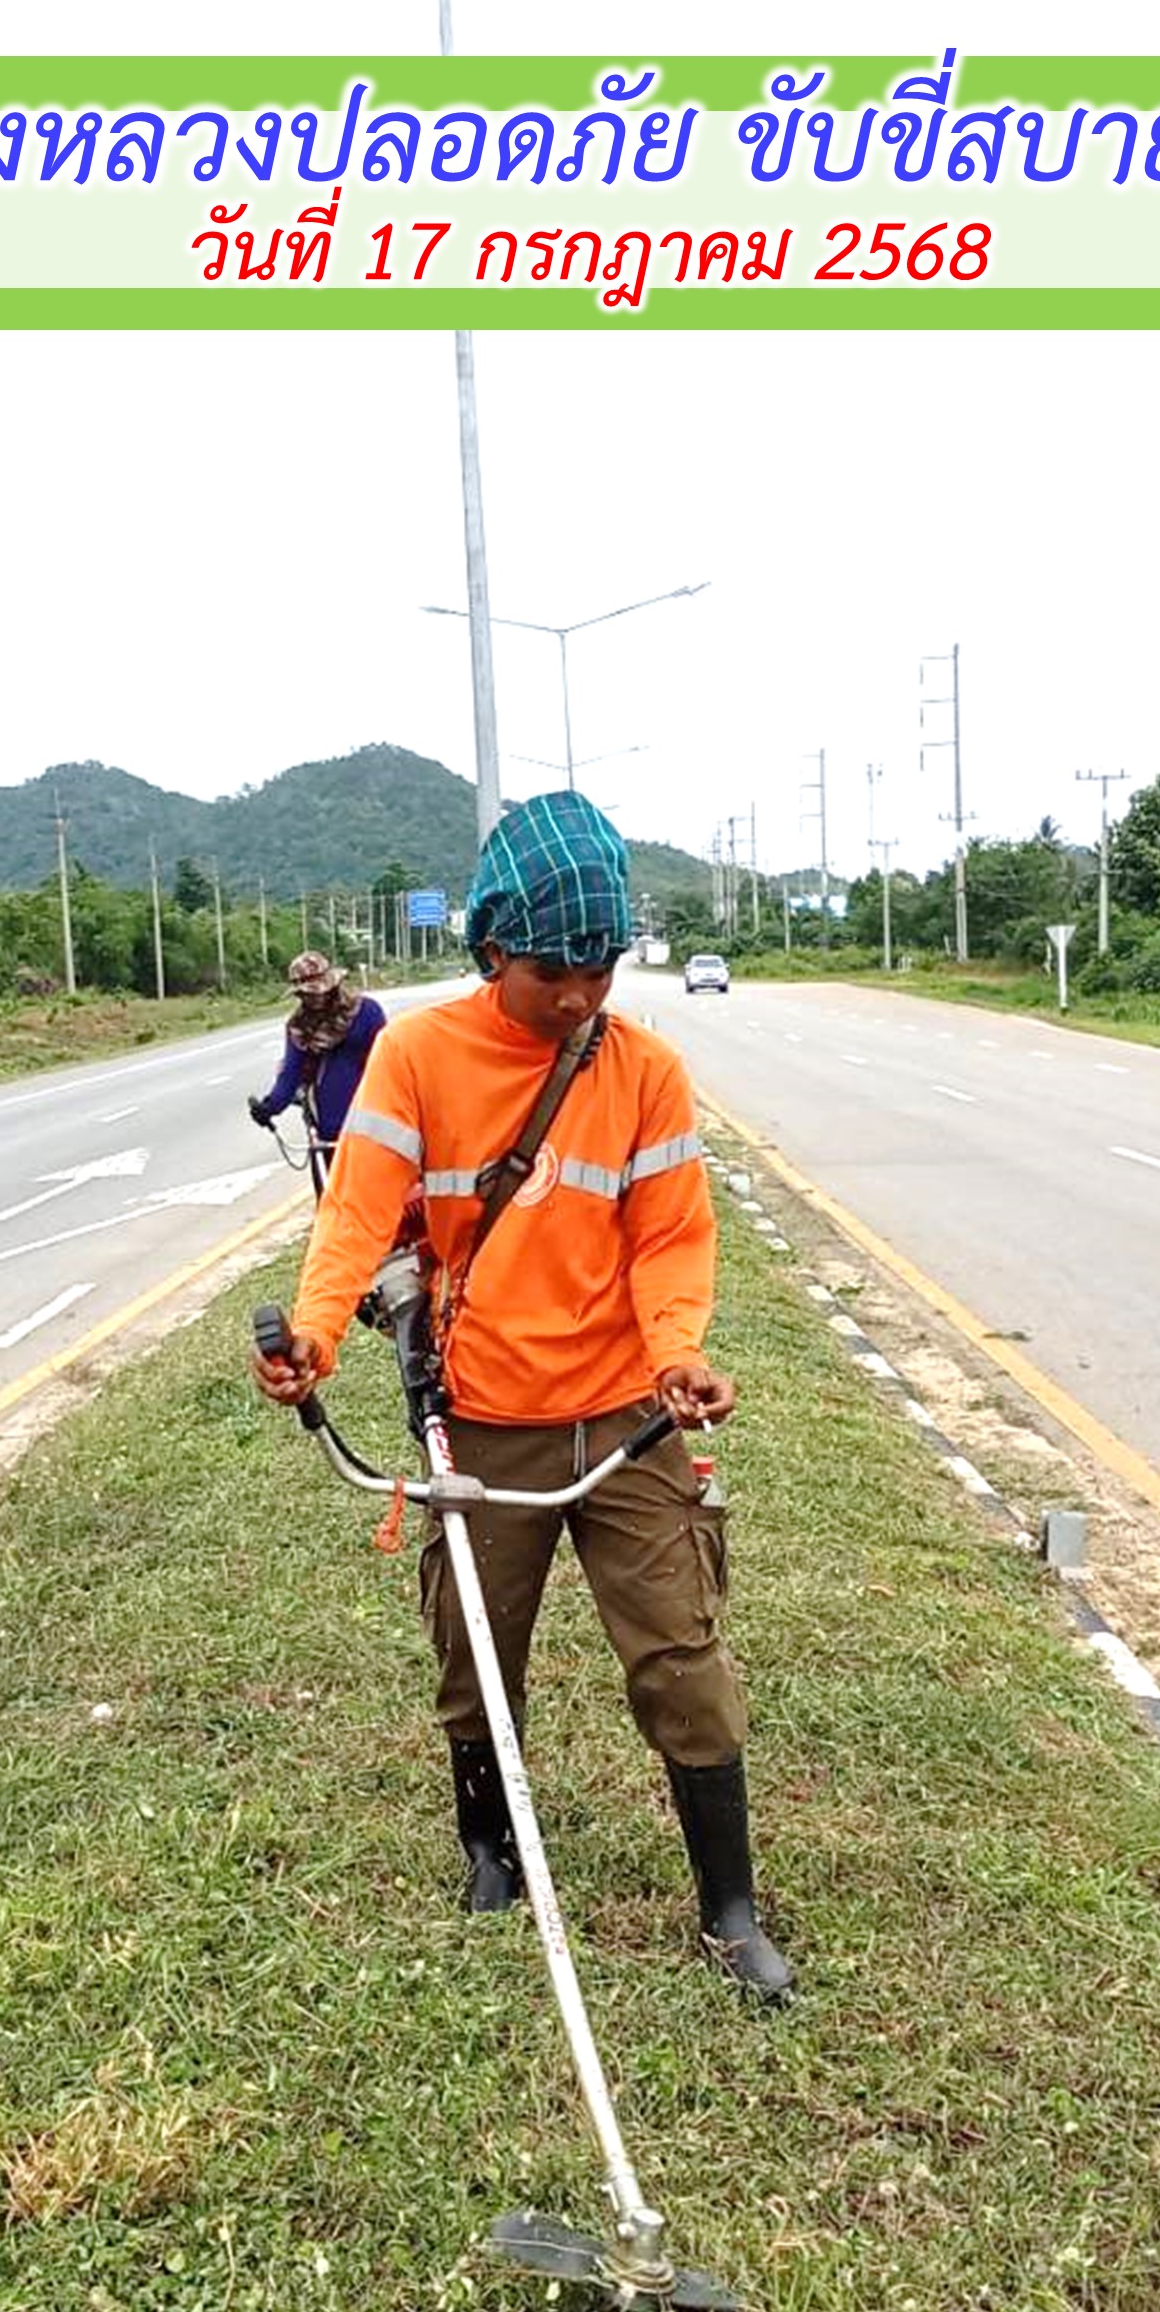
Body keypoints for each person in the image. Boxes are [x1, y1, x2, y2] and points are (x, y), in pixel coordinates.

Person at [251, 793, 791, 2003]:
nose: (581, 996)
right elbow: (358, 1216)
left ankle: (731, 1908)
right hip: (485, 1420)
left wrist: (678, 1353)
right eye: (556, 972)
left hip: (625, 1417)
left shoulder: (644, 1071)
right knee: (476, 1649)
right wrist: (316, 1336)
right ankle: (490, 1853)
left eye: (602, 969)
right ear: (494, 949)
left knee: (683, 1656)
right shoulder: (418, 1056)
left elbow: (670, 1237)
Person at [247, 952, 387, 1173]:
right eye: (305, 995)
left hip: (375, 1120)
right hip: (331, 1127)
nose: (314, 999)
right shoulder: (299, 1027)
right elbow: (290, 1075)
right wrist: (269, 1107)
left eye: (317, 992)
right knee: (338, 1189)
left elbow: (388, 1062)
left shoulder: (366, 1012)